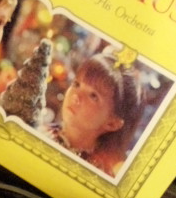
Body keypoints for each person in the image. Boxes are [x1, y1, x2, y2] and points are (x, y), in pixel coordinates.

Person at [45, 49, 144, 177]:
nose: (76, 96)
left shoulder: (100, 175)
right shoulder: (40, 131)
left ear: (112, 123)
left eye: (93, 96)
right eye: (76, 84)